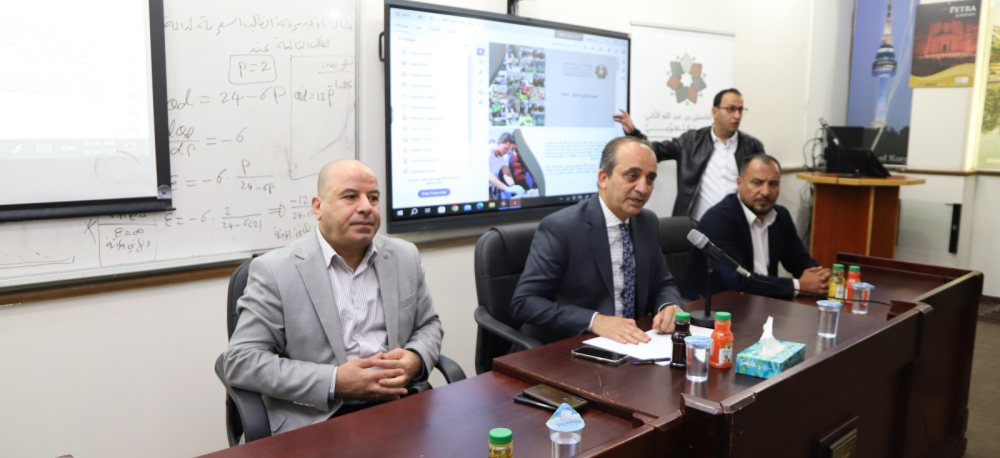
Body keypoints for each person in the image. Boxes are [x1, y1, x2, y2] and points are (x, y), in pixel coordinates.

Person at [224, 160, 443, 435]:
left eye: (373, 198)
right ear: (318, 207)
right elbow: (242, 361)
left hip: (400, 403)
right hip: (320, 417)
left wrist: (415, 359)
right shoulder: (275, 270)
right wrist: (334, 381)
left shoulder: (404, 255)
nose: (366, 207)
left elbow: (429, 325)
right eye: (350, 197)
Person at [511, 136, 684, 346]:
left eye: (650, 178)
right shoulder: (562, 227)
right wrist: (595, 321)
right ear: (603, 178)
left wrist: (668, 305)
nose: (643, 188)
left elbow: (662, 282)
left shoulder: (647, 222)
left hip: (631, 344)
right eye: (632, 176)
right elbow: (525, 303)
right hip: (568, 346)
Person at [681, 154, 831, 299]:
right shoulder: (717, 220)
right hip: (716, 307)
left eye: (773, 184)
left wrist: (821, 279)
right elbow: (738, 280)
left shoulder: (780, 216)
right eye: (757, 183)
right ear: (739, 183)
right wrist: (799, 285)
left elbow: (799, 260)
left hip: (763, 303)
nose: (765, 192)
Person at [612, 88, 766, 220]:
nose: (737, 115)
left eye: (740, 110)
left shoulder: (752, 147)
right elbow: (656, 151)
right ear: (715, 112)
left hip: (737, 225)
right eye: (731, 109)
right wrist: (633, 132)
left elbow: (760, 185)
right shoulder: (691, 141)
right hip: (696, 225)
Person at [489, 133, 524, 199]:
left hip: (489, 185)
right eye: (506, 148)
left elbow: (507, 173)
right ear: (499, 143)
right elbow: (489, 175)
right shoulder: (487, 151)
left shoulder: (505, 155)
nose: (507, 151)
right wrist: (506, 188)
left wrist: (513, 186)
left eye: (509, 149)